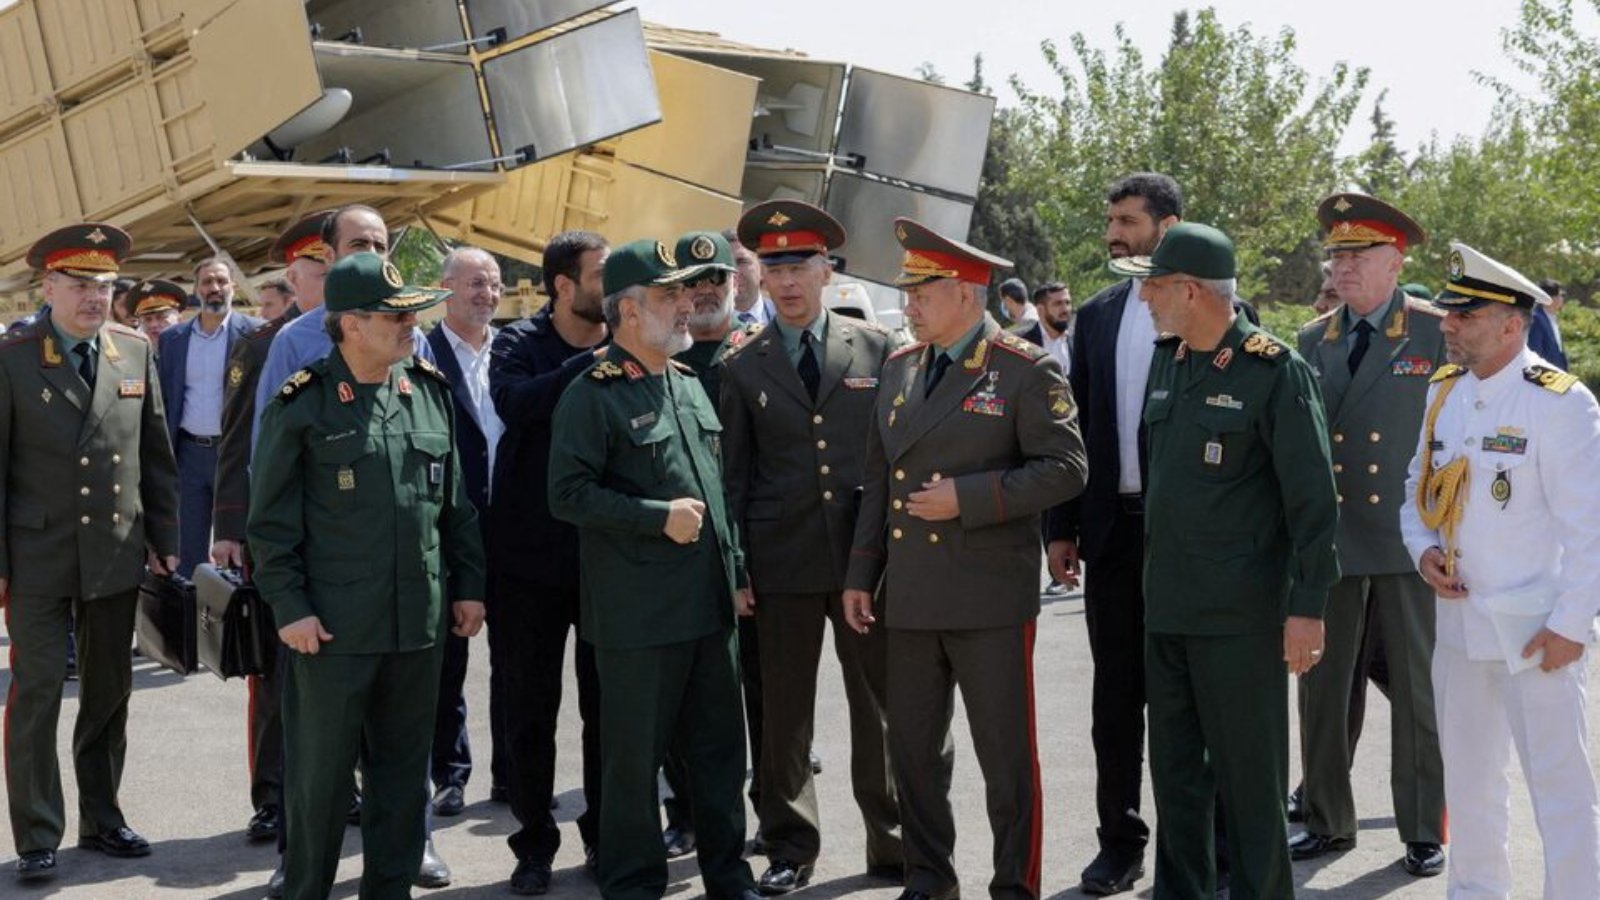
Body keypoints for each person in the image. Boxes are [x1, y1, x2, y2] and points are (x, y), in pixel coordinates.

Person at [843, 218, 1087, 900]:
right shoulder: (900, 366)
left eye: (922, 293)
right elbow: (878, 480)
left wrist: (968, 497)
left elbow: (1067, 468)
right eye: (908, 293)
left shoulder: (1023, 368)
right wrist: (861, 574)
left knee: (1005, 760)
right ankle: (929, 879)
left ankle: (1015, 885)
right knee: (914, 753)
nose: (909, 306)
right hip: (912, 594)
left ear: (965, 295)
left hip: (988, 597)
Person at [248, 251, 486, 900]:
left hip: (417, 626)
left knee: (402, 779)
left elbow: (455, 507)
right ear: (351, 324)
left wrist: (469, 587)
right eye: (395, 316)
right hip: (332, 630)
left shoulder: (428, 392)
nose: (412, 325)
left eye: (412, 314)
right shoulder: (302, 404)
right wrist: (290, 608)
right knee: (321, 783)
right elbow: (270, 526)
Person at [1128, 222, 1339, 900]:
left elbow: (1314, 503)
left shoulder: (1275, 371)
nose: (1145, 299)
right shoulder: (1169, 360)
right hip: (1169, 609)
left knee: (1251, 786)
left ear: (1190, 291)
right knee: (1176, 782)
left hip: (1240, 619)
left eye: (1155, 287)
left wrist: (1307, 608)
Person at [547, 239, 759, 900]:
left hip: (708, 608)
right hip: (638, 617)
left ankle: (730, 879)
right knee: (633, 764)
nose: (686, 304)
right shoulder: (592, 394)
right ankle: (634, 884)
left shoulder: (687, 382)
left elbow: (717, 492)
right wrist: (654, 516)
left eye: (686, 292)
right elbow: (567, 494)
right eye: (670, 295)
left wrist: (737, 572)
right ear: (630, 310)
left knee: (721, 755)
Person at [1401, 243, 1600, 900]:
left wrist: (1571, 625)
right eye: (1449, 313)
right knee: (1469, 783)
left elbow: (1590, 530)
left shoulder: (1560, 402)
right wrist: (1422, 550)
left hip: (1536, 627)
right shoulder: (1445, 392)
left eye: (1466, 315)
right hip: (1459, 624)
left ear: (1512, 325)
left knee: (1559, 789)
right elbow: (1415, 489)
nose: (1449, 325)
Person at [720, 203, 904, 893]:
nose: (788, 282)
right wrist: (737, 567)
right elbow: (733, 478)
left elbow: (895, 459)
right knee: (784, 713)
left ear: (827, 271)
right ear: (761, 279)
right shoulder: (743, 363)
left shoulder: (878, 349)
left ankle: (892, 840)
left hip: (863, 559)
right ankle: (790, 845)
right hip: (781, 560)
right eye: (775, 270)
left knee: (879, 706)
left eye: (800, 267)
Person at [1, 223, 180, 881]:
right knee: (38, 691)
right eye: (79, 285)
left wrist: (165, 541)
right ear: (47, 287)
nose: (94, 297)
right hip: (37, 553)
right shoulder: (14, 356)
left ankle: (103, 818)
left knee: (109, 693)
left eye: (104, 286)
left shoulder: (132, 350)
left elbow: (155, 453)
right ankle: (37, 833)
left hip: (114, 549)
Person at [1290, 193, 1448, 876]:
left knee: (1417, 690)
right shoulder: (1311, 340)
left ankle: (1423, 826)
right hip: (1334, 537)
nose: (1344, 267)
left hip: (1411, 537)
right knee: (1323, 689)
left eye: (1359, 254)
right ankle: (1327, 818)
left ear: (1395, 263)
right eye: (1337, 255)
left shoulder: (1437, 333)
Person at [1043, 172, 1182, 896]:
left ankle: (1200, 847)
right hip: (1112, 535)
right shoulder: (1095, 316)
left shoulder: (1209, 307)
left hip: (1186, 539)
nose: (1113, 235)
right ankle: (1119, 845)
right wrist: (1061, 527)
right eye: (1111, 222)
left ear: (1167, 226)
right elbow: (1075, 430)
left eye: (1127, 221)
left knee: (1188, 697)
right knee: (1116, 701)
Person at [209, 210, 331, 894]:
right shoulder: (264, 344)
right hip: (277, 531)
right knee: (279, 677)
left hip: (345, 537)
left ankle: (340, 790)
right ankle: (273, 794)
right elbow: (236, 441)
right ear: (295, 275)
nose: (328, 276)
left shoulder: (376, 331)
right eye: (317, 267)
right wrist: (231, 525)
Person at [488, 229, 610, 894]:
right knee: (529, 712)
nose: (612, 290)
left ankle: (603, 836)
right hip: (526, 563)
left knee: (606, 711)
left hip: (602, 560)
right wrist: (590, 364)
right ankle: (533, 844)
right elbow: (515, 404)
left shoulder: (627, 342)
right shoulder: (518, 343)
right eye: (600, 276)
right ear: (564, 286)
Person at [664, 229, 763, 859]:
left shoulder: (758, 353)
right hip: (678, 556)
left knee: (759, 698)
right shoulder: (657, 358)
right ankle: (686, 814)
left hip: (753, 554)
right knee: (681, 700)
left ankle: (765, 815)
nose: (704, 292)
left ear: (735, 283)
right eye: (691, 283)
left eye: (715, 280)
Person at [424, 246, 507, 818]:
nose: (488, 294)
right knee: (446, 663)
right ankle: (449, 774)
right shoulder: (422, 351)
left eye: (494, 283)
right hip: (451, 526)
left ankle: (512, 774)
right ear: (446, 288)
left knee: (516, 662)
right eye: (476, 283)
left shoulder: (513, 350)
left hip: (512, 526)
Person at [157, 258, 262, 575]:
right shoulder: (172, 339)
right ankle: (190, 604)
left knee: (237, 546)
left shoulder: (256, 334)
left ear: (233, 287)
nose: (214, 288)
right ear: (196, 289)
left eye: (221, 281)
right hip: (188, 455)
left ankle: (237, 604)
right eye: (207, 282)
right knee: (187, 547)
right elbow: (165, 399)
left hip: (235, 457)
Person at [1013, 282, 1072, 375]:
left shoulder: (1077, 339)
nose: (1065, 309)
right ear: (1040, 310)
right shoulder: (1022, 342)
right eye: (1058, 304)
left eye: (1067, 303)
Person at [729, 230, 774, 326]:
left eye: (742, 262)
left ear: (762, 267)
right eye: (727, 264)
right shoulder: (704, 326)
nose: (734, 272)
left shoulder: (787, 317)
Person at [1529, 277, 1569, 369]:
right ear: (1551, 298)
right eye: (1561, 295)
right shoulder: (1536, 319)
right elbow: (1535, 352)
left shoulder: (1551, 317)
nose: (1562, 299)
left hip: (1558, 372)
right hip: (1546, 373)